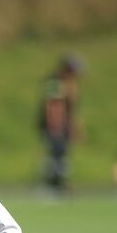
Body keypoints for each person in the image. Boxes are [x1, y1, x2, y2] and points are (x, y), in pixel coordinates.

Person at [38, 54, 82, 192]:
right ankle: (52, 186)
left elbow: (70, 109)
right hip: (55, 126)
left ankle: (60, 185)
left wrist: (73, 125)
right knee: (55, 156)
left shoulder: (68, 85)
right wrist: (55, 125)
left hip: (63, 126)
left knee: (62, 156)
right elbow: (53, 106)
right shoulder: (55, 82)